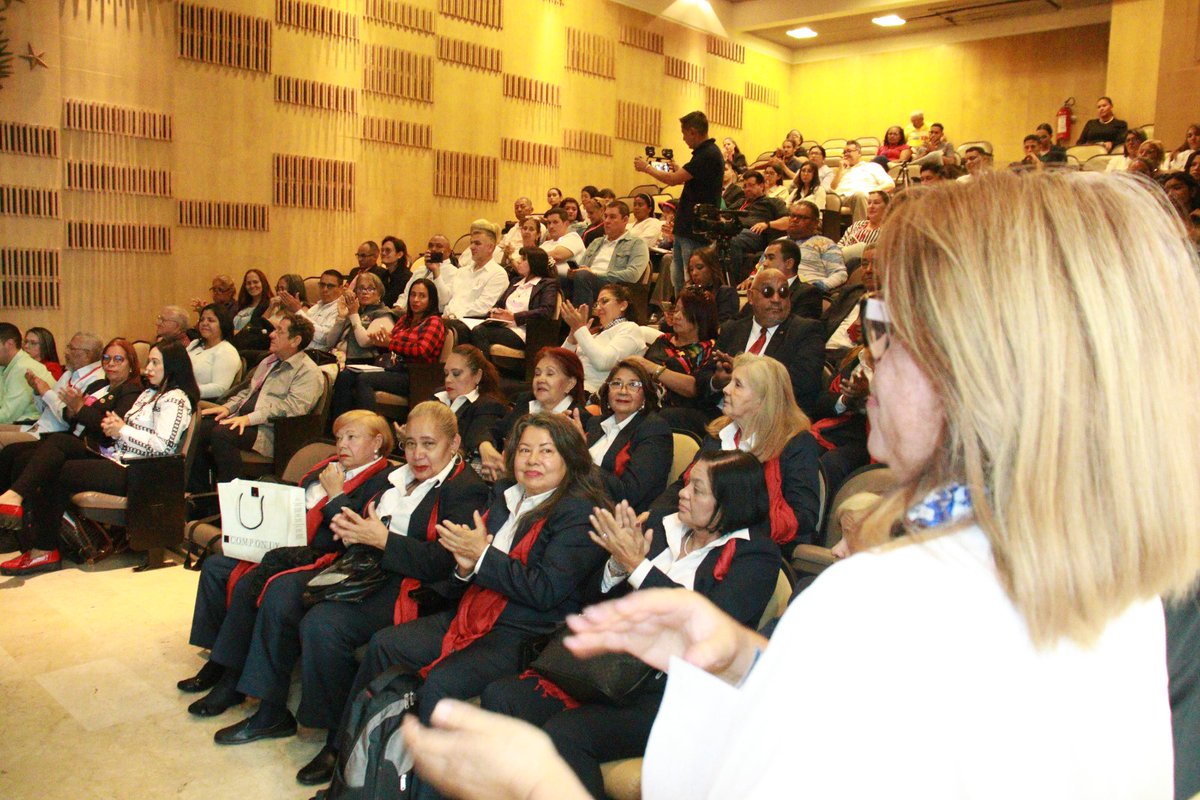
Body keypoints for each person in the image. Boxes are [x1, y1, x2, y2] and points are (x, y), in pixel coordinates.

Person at [402, 170, 1200, 800]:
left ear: (981, 369)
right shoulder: (1109, 580)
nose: (865, 358)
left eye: (887, 330)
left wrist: (539, 787)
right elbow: (880, 746)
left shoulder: (885, 602)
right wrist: (744, 660)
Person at [479, 450, 780, 797]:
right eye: (686, 484)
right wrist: (616, 569)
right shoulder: (662, 527)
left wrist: (639, 567)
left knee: (566, 735)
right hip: (608, 666)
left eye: (697, 490)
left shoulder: (754, 556)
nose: (682, 494)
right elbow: (595, 599)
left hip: (669, 689)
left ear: (730, 502)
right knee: (502, 697)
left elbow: (709, 624)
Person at [333, 411, 611, 786]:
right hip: (474, 610)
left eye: (546, 451)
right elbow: (468, 568)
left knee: (441, 687)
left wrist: (481, 557)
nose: (532, 460)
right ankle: (348, 762)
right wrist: (466, 565)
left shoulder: (579, 511)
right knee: (385, 645)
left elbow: (545, 590)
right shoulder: (505, 497)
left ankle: (422, 790)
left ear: (569, 457)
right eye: (524, 450)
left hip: (525, 631)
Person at [291, 401, 490, 786]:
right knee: (309, 609)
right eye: (411, 443)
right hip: (372, 569)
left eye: (429, 444)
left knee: (324, 624)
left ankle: (339, 744)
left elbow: (443, 563)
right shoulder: (396, 477)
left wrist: (383, 541)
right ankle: (329, 722)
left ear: (454, 444)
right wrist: (355, 527)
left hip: (416, 587)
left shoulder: (465, 489)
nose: (417, 454)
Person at [179, 410, 396, 722]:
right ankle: (219, 659)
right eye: (338, 437)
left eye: (352, 437)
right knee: (216, 566)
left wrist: (336, 493)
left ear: (377, 442)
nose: (342, 445)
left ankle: (234, 678)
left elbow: (355, 535)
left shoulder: (382, 481)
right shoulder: (327, 466)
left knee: (261, 582)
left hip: (325, 556)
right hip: (286, 542)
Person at [0, 341, 196, 576]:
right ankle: (20, 508)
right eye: (148, 362)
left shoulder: (174, 399)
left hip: (140, 473)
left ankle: (43, 548)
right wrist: (114, 427)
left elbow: (163, 447)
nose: (148, 369)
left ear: (173, 366)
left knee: (57, 470)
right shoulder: (150, 393)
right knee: (59, 443)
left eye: (155, 363)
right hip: (118, 458)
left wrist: (121, 430)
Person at [660, 352, 822, 551]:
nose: (726, 390)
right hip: (698, 535)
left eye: (737, 385)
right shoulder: (719, 434)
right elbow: (682, 485)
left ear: (764, 399)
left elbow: (804, 515)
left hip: (759, 549)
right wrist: (654, 516)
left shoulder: (796, 443)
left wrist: (722, 525)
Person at [0, 338, 143, 557]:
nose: (110, 364)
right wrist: (71, 409)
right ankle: (11, 527)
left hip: (98, 450)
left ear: (131, 365)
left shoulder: (131, 392)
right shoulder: (98, 386)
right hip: (76, 440)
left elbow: (109, 431)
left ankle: (17, 500)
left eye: (118, 359)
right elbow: (73, 419)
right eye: (106, 358)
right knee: (17, 454)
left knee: (59, 443)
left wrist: (78, 408)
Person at [189, 313, 322, 493]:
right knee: (198, 428)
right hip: (243, 420)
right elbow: (247, 392)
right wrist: (227, 408)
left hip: (271, 432)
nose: (271, 334)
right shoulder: (269, 360)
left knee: (222, 434)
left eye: (279, 331)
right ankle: (201, 494)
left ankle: (235, 498)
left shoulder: (308, 372)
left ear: (295, 340)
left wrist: (249, 419)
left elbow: (292, 408)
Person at [697, 268, 825, 419]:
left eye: (783, 292)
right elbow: (702, 379)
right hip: (720, 414)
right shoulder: (732, 328)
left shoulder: (806, 331)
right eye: (767, 291)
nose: (776, 299)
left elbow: (804, 384)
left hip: (771, 419)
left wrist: (746, 374)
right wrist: (717, 381)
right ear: (751, 297)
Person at [633, 111, 723, 299]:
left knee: (690, 278)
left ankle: (689, 314)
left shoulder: (708, 154)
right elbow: (692, 178)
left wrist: (647, 168)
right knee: (678, 277)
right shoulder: (704, 154)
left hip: (695, 229)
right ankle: (680, 311)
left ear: (693, 131)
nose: (683, 139)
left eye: (684, 133)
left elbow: (673, 180)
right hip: (687, 227)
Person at [329, 279, 446, 419]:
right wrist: (379, 340)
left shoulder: (434, 321)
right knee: (346, 374)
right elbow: (389, 344)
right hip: (393, 367)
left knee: (364, 379)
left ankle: (368, 427)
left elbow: (422, 350)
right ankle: (339, 424)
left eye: (422, 296)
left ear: (431, 300)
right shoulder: (404, 320)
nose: (415, 300)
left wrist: (389, 343)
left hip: (414, 374)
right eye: (412, 295)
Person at [573, 359, 672, 513]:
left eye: (633, 385)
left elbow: (628, 494)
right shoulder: (595, 423)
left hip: (614, 518)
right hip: (575, 504)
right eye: (616, 383)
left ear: (645, 394)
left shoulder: (654, 430)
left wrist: (580, 454)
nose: (623, 391)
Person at [478, 347, 588, 482]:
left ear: (570, 383)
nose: (541, 379)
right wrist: (485, 446)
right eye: (537, 373)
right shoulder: (525, 402)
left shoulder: (580, 420)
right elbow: (494, 431)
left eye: (550, 374)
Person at [634, 289, 718, 434]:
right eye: (676, 310)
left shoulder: (709, 348)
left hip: (681, 411)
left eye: (684, 312)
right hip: (646, 399)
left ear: (700, 317)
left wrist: (654, 368)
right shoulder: (663, 340)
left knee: (656, 417)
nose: (677, 316)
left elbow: (695, 388)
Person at [0, 332, 104, 448]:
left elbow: (67, 421)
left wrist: (47, 392)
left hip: (52, 435)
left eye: (71, 348)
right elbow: (45, 410)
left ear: (87, 354)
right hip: (37, 426)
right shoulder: (69, 374)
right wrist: (37, 391)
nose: (66, 352)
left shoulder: (96, 381)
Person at [468, 248, 559, 364]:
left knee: (479, 331)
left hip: (524, 331)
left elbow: (546, 311)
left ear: (535, 263)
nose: (519, 261)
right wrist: (495, 311)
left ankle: (485, 374)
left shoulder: (547, 284)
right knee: (468, 329)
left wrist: (514, 317)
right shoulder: (516, 281)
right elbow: (499, 303)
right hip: (502, 326)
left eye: (524, 259)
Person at [560, 284, 646, 394]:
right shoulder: (594, 334)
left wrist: (580, 329)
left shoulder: (630, 329)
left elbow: (603, 363)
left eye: (604, 301)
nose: (598, 308)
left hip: (596, 395)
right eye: (597, 304)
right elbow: (560, 363)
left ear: (623, 305)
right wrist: (573, 333)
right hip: (570, 388)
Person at [563, 201, 650, 307]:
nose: (607, 221)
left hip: (614, 288)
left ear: (625, 220)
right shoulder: (596, 242)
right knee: (558, 281)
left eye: (612, 217)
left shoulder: (637, 244)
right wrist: (574, 272)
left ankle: (581, 321)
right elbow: (582, 267)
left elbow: (633, 275)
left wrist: (595, 274)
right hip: (587, 281)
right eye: (606, 216)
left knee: (583, 276)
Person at [429, 345, 508, 460]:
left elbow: (480, 432)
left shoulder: (488, 405)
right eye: (446, 373)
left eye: (456, 374)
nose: (448, 379)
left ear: (477, 376)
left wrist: (484, 445)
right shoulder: (437, 396)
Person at [445, 221, 509, 320]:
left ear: (490, 247)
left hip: (472, 322)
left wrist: (454, 315)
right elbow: (449, 298)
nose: (472, 247)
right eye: (471, 243)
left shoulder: (498, 274)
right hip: (449, 318)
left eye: (477, 243)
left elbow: (483, 307)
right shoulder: (462, 271)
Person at [0, 323, 53, 425]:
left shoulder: (24, 368)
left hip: (37, 426)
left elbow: (8, 415)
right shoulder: (4, 365)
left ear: (9, 344)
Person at [337, 272, 395, 366]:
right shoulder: (356, 310)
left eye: (371, 288)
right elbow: (330, 342)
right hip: (342, 360)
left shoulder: (384, 314)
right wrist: (341, 318)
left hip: (368, 364)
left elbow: (364, 342)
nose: (364, 292)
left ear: (380, 293)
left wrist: (353, 314)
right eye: (360, 288)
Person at [829, 140, 895, 221]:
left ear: (859, 153)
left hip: (861, 197)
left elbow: (890, 184)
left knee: (860, 195)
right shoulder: (841, 170)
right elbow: (832, 188)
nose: (846, 154)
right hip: (839, 198)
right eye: (844, 152)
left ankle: (860, 231)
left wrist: (869, 194)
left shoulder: (872, 166)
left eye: (849, 151)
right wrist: (840, 170)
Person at [187, 304, 241, 400]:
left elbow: (219, 388)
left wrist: (186, 391)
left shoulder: (227, 351)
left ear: (223, 324)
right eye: (202, 319)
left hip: (200, 401)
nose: (204, 323)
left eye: (210, 320)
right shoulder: (195, 344)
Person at [399, 235, 458, 313]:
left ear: (449, 252)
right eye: (430, 246)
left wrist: (436, 271)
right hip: (410, 313)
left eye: (439, 246)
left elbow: (443, 300)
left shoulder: (454, 272)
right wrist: (398, 306)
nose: (433, 249)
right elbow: (406, 293)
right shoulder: (420, 270)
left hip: (435, 315)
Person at [678, 247, 738, 322]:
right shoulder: (689, 292)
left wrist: (710, 305)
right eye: (691, 269)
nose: (694, 273)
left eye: (699, 267)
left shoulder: (726, 293)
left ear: (712, 268)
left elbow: (724, 327)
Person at [839, 190, 888, 268]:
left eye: (876, 203)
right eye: (869, 203)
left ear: (887, 208)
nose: (871, 206)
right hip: (840, 262)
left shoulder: (887, 231)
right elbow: (839, 246)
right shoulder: (857, 225)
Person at [230, 269, 273, 337]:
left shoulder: (270, 306)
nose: (252, 286)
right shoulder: (240, 305)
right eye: (248, 283)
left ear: (263, 283)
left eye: (255, 282)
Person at [374, 235, 413, 307]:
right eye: (382, 250)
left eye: (388, 250)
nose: (383, 253)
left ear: (399, 255)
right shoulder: (382, 275)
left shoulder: (406, 277)